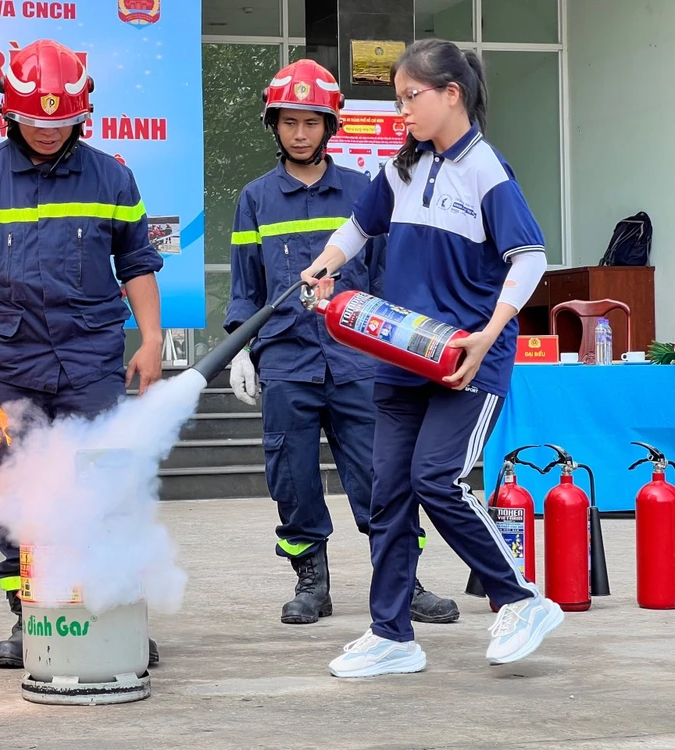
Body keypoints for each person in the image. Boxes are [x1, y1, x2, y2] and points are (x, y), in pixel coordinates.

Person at [301, 39, 559, 677]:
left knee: (437, 480)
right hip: (401, 357)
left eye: (410, 97)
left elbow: (529, 259)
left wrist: (488, 333)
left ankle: (520, 599)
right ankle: (392, 635)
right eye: (397, 100)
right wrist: (328, 264)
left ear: (453, 94)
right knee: (388, 496)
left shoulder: (486, 171)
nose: (402, 111)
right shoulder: (403, 169)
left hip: (465, 362)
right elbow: (358, 227)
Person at [0, 39, 164, 670]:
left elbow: (136, 263)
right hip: (9, 362)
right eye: (36, 119)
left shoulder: (113, 176)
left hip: (91, 362)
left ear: (81, 113)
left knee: (106, 490)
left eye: (62, 121)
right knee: (16, 492)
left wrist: (153, 339)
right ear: (10, 111)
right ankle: (30, 617)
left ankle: (115, 612)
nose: (49, 131)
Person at [225, 59, 459, 626]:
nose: (300, 133)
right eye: (288, 123)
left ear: (331, 126)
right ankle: (311, 582)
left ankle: (405, 580)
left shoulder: (364, 191)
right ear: (273, 126)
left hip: (360, 359)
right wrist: (239, 349)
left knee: (383, 476)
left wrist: (407, 349)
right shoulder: (255, 199)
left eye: (311, 122)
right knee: (293, 478)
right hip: (286, 361)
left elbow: (387, 279)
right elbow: (245, 287)